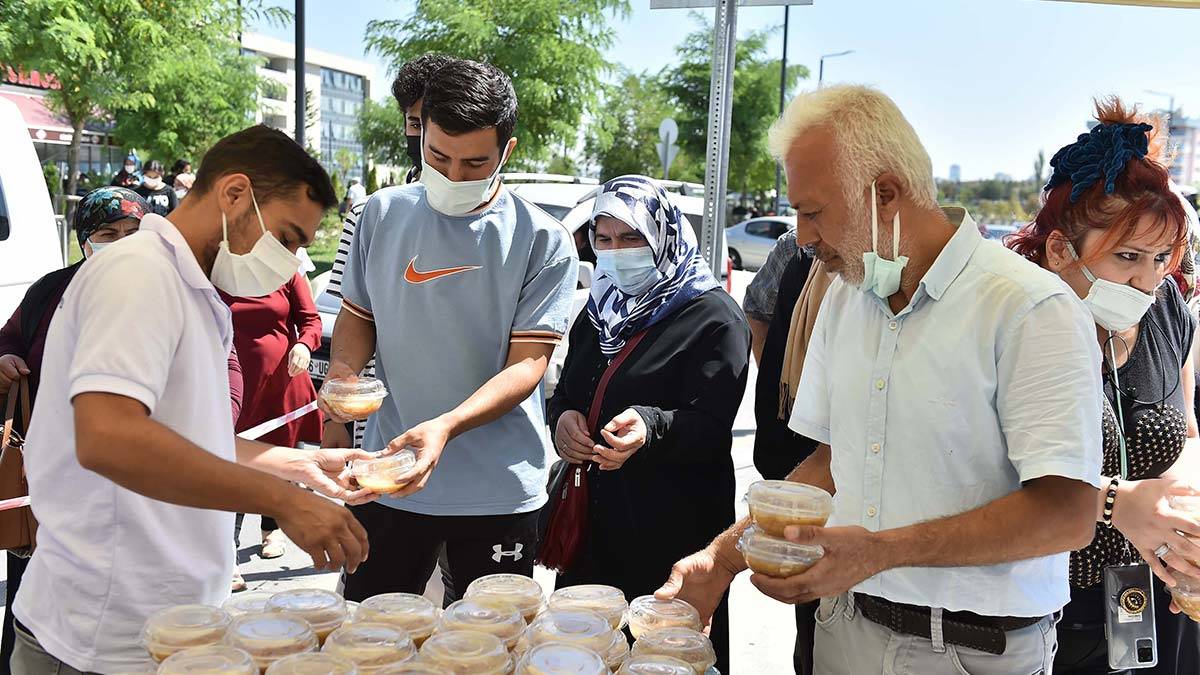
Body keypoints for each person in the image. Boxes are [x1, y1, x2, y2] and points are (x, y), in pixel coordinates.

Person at [656, 85, 1104, 675]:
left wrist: (877, 553)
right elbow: (831, 461)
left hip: (974, 651)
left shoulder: (1028, 308)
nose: (803, 237)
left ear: (885, 194)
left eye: (813, 211)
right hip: (848, 628)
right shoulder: (849, 298)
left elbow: (1069, 514)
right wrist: (722, 558)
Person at [10, 125, 378, 674]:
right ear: (234, 194)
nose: (294, 261)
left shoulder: (193, 288)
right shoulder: (139, 273)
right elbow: (107, 438)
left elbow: (186, 439)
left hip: (168, 628)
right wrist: (282, 502)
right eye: (288, 236)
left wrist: (300, 465)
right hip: (100, 636)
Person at [325, 59, 577, 605]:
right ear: (421, 133)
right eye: (438, 157)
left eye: (474, 163)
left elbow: (528, 364)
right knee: (371, 639)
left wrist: (447, 426)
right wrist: (343, 374)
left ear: (506, 152)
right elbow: (357, 319)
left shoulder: (543, 239)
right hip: (388, 475)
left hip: (498, 490)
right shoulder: (380, 215)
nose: (454, 176)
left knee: (489, 645)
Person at [1007, 99, 1200, 674]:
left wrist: (1184, 513)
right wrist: (1114, 504)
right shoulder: (1013, 323)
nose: (1148, 277)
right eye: (1127, 256)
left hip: (1152, 599)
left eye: (1163, 256)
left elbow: (1183, 428)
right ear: (1062, 250)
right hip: (1037, 609)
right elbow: (977, 479)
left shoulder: (1165, 306)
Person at [548, 175, 748, 673]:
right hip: (594, 528)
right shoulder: (599, 310)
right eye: (605, 239)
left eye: (632, 237)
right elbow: (571, 390)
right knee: (583, 653)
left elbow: (710, 424)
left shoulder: (714, 318)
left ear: (663, 235)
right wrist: (563, 419)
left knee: (666, 656)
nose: (616, 252)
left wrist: (651, 425)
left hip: (670, 530)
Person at [0, 187, 149, 668]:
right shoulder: (49, 291)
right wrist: (4, 359)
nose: (123, 242)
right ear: (86, 241)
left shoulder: (167, 293)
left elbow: (223, 365)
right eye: (108, 234)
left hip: (134, 477)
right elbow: (8, 340)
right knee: (36, 601)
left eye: (133, 232)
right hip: (51, 477)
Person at [324, 51, 455, 453]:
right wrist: (334, 418)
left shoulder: (499, 221)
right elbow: (351, 319)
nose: (423, 134)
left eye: (432, 122)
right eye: (415, 123)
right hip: (378, 432)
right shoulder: (370, 211)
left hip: (466, 434)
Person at [220, 266, 325, 567]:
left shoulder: (286, 270)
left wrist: (304, 345)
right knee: (234, 465)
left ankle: (272, 528)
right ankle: (229, 547)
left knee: (278, 461)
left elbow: (311, 320)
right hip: (235, 388)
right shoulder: (214, 273)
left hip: (281, 387)